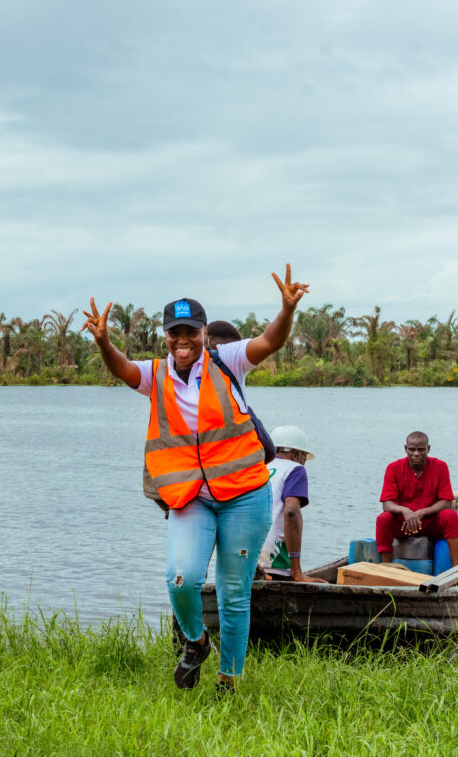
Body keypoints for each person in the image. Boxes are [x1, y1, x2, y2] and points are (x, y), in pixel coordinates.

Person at [81, 265, 309, 693]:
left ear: (204, 332)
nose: (182, 340)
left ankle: (229, 682)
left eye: (190, 331)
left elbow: (270, 341)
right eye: (175, 333)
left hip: (245, 495)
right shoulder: (156, 374)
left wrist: (286, 311)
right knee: (180, 578)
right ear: (165, 336)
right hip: (192, 497)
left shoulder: (228, 361)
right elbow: (122, 369)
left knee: (233, 593)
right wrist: (104, 342)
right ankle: (196, 641)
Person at [376, 431, 458, 567]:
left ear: (428, 449)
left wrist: (421, 513)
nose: (416, 453)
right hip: (403, 524)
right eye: (412, 449)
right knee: (383, 519)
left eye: (421, 450)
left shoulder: (440, 467)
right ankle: (386, 568)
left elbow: (446, 503)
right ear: (406, 449)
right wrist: (405, 511)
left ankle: (456, 569)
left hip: (430, 522)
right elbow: (387, 504)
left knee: (450, 515)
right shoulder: (393, 468)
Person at [258, 425, 326, 583]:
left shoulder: (260, 468)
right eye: (304, 458)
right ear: (296, 455)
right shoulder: (295, 469)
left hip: (249, 559)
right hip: (274, 561)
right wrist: (297, 572)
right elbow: (291, 512)